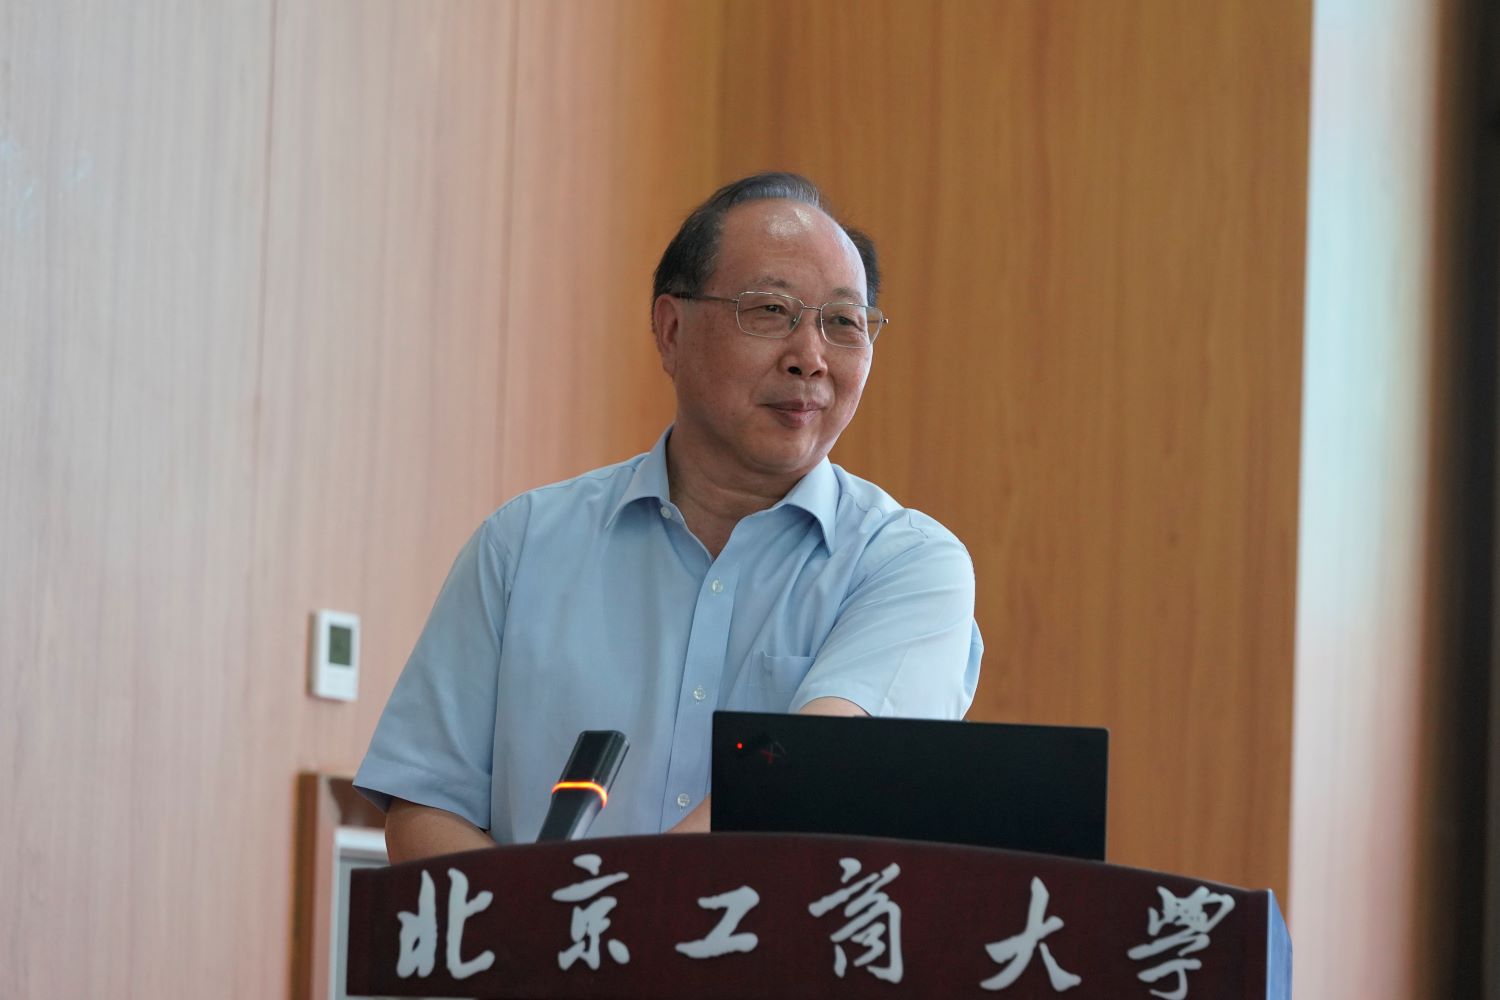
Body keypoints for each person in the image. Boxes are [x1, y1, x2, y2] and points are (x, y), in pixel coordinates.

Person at [354, 172, 982, 862]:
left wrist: (598, 914)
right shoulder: (522, 544)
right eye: (770, 310)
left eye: (843, 323)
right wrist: (548, 925)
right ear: (672, 330)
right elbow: (426, 805)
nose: (810, 358)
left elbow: (808, 775)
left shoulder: (907, 564)